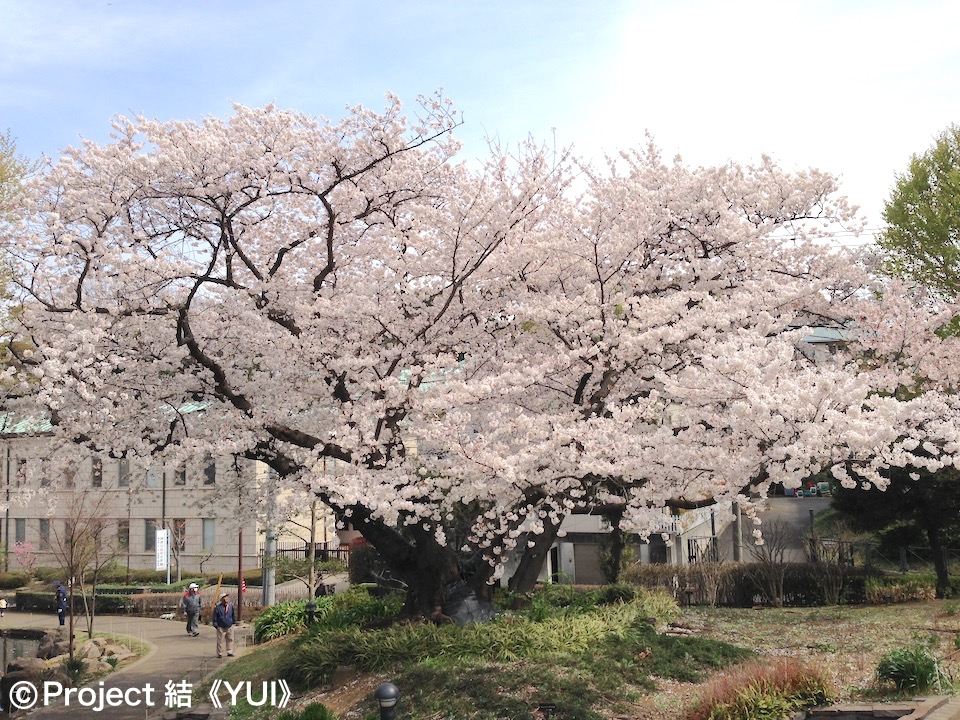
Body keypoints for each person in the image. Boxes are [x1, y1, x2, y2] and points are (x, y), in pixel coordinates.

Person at [211, 592, 235, 658]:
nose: (226, 598)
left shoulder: (230, 606)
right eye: (224, 597)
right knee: (220, 641)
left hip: (229, 625)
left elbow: (232, 615)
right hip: (221, 626)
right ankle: (219, 653)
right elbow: (214, 617)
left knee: (230, 639)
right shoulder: (218, 608)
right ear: (221, 599)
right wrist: (216, 625)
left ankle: (230, 651)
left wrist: (233, 622)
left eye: (227, 597)